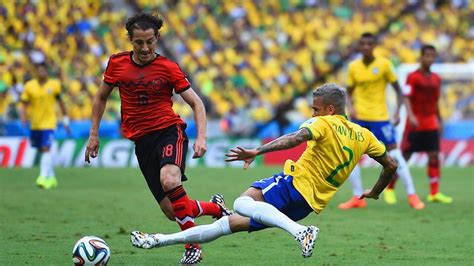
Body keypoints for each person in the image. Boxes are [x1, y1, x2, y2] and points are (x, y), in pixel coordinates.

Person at [130, 84, 398, 260]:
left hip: (293, 184)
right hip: (309, 203)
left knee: (241, 203)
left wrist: (257, 151)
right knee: (228, 224)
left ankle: (300, 232)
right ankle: (158, 240)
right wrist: (374, 192)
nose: (312, 112)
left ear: (329, 109)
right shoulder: (364, 135)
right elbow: (391, 165)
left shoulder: (323, 123)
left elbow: (296, 137)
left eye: (315, 108)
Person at [84, 13, 232, 264]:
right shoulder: (116, 64)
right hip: (141, 142)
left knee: (169, 179)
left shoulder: (168, 68)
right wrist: (93, 134)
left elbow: (197, 103)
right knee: (172, 210)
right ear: (130, 40)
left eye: (150, 42)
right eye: (139, 43)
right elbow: (100, 97)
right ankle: (217, 208)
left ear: (157, 39)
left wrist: (202, 137)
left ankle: (192, 247)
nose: (145, 48)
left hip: (168, 131)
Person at [339, 33, 425, 210]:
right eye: (362, 44)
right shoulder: (353, 67)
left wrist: (397, 113)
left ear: (374, 46)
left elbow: (399, 91)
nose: (365, 47)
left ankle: (412, 195)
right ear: (359, 46)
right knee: (351, 158)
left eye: (369, 44)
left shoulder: (384, 64)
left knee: (396, 155)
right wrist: (351, 107)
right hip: (359, 118)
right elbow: (348, 92)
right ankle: (357, 197)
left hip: (380, 119)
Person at [385, 45, 452, 204]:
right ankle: (390, 189)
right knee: (404, 158)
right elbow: (407, 97)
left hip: (431, 124)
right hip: (414, 124)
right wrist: (411, 115)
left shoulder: (436, 79)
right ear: (421, 57)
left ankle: (434, 192)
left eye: (432, 56)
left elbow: (435, 101)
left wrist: (440, 120)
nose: (430, 59)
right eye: (427, 56)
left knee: (434, 155)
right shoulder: (413, 77)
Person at [19, 62, 70, 189]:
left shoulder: (54, 84)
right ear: (36, 72)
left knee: (46, 148)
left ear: (47, 72)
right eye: (39, 71)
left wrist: (65, 121)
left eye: (43, 70)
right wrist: (23, 117)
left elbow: (61, 103)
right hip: (35, 124)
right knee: (42, 150)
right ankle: (52, 177)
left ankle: (42, 177)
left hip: (49, 123)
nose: (41, 73)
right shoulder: (29, 86)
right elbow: (24, 103)